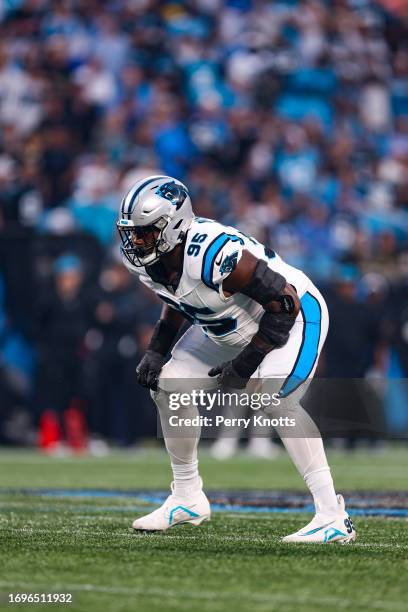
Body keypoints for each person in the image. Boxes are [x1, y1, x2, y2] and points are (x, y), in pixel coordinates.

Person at [117, 175, 356, 544]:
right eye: (132, 232)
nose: (136, 241)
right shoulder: (150, 261)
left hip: (292, 315)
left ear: (174, 226)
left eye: (146, 231)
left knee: (274, 399)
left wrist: (245, 366)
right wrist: (157, 350)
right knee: (168, 384)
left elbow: (285, 303)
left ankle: (332, 516)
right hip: (227, 325)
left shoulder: (215, 253)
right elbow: (179, 299)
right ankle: (187, 497)